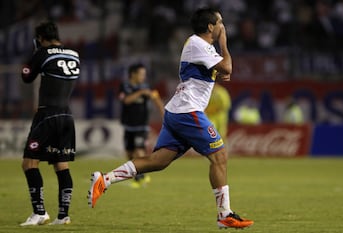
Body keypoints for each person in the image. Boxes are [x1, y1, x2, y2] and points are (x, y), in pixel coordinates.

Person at [88, 8, 254, 229]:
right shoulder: (198, 44)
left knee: (157, 162)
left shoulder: (200, 46)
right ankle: (225, 215)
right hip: (188, 110)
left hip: (179, 110)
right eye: (220, 22)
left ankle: (104, 180)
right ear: (211, 27)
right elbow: (227, 67)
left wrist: (221, 64)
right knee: (220, 155)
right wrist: (224, 44)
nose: (223, 26)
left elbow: (224, 71)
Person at [20, 21, 80, 226]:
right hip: (66, 116)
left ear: (40, 38)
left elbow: (26, 77)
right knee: (60, 164)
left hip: (46, 115)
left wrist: (34, 55)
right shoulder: (74, 54)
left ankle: (39, 213)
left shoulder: (43, 52)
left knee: (29, 163)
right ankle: (63, 215)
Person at [118, 63, 164, 188]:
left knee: (139, 151)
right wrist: (141, 92)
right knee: (129, 153)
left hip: (142, 125)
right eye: (141, 74)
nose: (143, 76)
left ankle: (143, 177)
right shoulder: (125, 86)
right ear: (133, 74)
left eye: (144, 74)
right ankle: (138, 178)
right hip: (128, 125)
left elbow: (155, 97)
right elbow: (126, 100)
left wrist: (163, 113)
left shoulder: (146, 86)